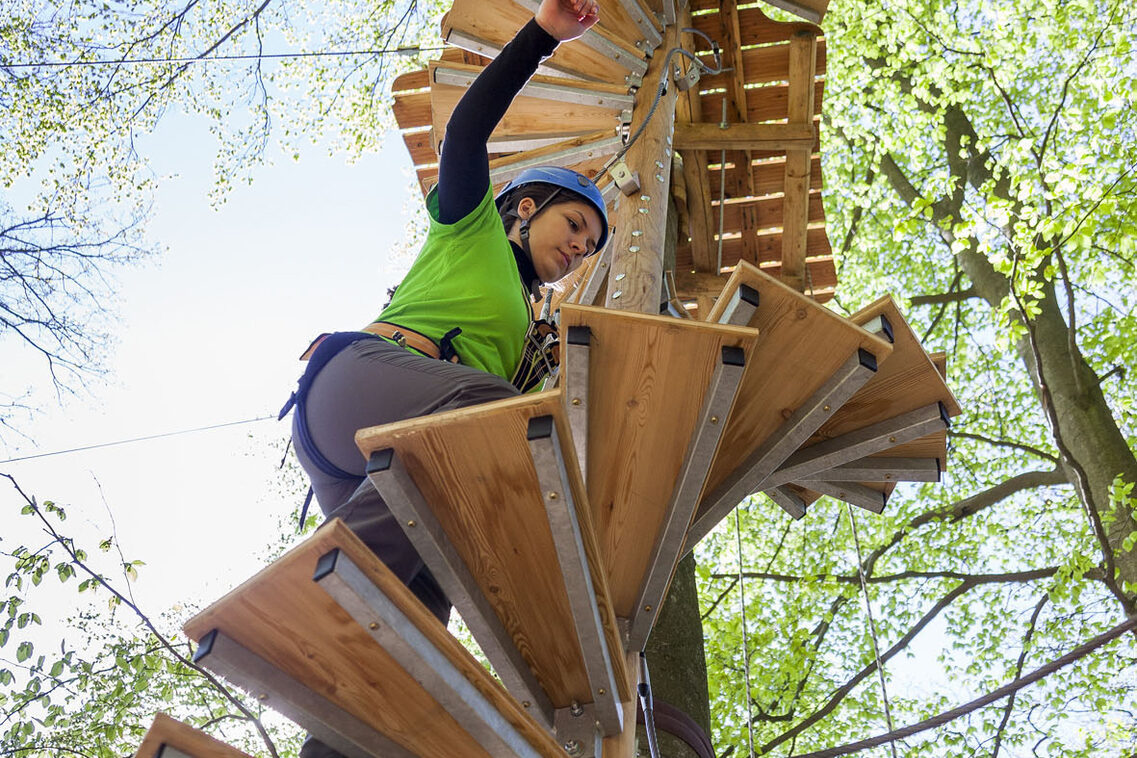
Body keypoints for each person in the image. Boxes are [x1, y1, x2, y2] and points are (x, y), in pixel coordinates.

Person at [279, 1, 607, 753]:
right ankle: (308, 594)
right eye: (573, 229)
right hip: (359, 387)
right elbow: (465, 132)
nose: (580, 251)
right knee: (487, 413)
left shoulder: (533, 339)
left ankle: (333, 738)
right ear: (525, 210)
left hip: (395, 463)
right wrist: (543, 37)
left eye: (591, 249)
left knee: (412, 621)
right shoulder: (473, 230)